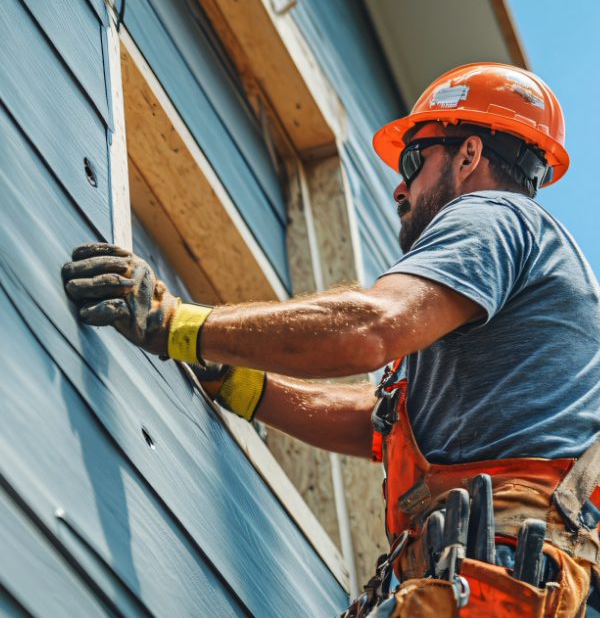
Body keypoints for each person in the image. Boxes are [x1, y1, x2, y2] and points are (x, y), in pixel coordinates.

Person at [63, 63, 600, 617]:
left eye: (413, 159)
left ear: (467, 156)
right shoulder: (518, 309)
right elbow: (383, 419)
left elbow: (370, 326)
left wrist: (175, 323)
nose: (399, 185)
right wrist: (240, 380)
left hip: (500, 585)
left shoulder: (492, 215)